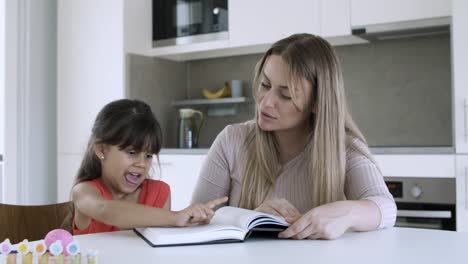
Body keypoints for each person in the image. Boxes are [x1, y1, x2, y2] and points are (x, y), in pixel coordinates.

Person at [192, 33, 396, 240]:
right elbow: (195, 217)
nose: (266, 102)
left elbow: (386, 208)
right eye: (264, 84)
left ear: (317, 102)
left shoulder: (344, 149)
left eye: (286, 94)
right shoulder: (232, 140)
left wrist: (347, 212)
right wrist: (249, 219)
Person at [72, 99, 227, 235]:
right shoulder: (84, 191)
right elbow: (104, 210)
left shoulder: (159, 192)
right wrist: (175, 217)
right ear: (101, 150)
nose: (141, 163)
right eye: (131, 152)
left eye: (148, 156)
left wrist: (191, 221)